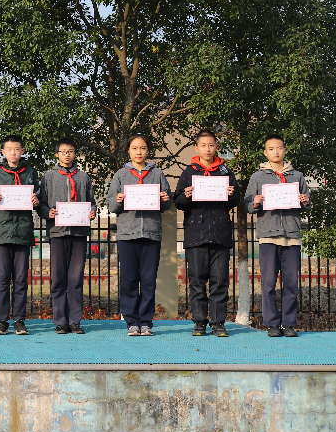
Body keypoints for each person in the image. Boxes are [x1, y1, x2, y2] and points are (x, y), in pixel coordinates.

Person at [174, 129, 240, 337]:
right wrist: (185, 196)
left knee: (220, 280)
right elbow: (178, 202)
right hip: (196, 234)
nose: (207, 149)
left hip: (220, 233)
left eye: (211, 145)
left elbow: (236, 200)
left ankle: (218, 322)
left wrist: (232, 194)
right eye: (203, 145)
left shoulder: (225, 172)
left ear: (217, 147)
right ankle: (199, 322)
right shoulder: (189, 172)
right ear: (196, 148)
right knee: (197, 280)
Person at [244, 134, 311, 337]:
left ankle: (289, 323)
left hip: (291, 235)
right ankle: (272, 323)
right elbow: (247, 205)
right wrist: (254, 203)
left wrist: (305, 201)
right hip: (268, 235)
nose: (276, 152)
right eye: (271, 149)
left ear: (284, 149)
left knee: (291, 282)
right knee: (269, 282)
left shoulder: (297, 176)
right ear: (265, 152)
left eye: (279, 148)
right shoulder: (257, 177)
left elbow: (308, 204)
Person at [106, 133, 171, 336]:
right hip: (127, 234)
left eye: (142, 148)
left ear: (148, 150)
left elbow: (167, 203)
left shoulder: (157, 173)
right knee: (129, 279)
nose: (139, 152)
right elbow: (110, 205)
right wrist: (118, 199)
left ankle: (146, 322)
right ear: (128, 151)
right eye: (134, 148)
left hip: (151, 233)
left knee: (149, 279)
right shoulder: (120, 175)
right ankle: (131, 321)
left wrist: (164, 198)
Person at [0, 135, 40, 335]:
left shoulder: (30, 172)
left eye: (17, 149)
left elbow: (39, 196)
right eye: (9, 149)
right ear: (3, 152)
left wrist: (35, 199)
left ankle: (20, 320)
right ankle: (1, 320)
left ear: (23, 151)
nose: (13, 153)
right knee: (3, 278)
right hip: (2, 233)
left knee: (22, 279)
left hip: (23, 232)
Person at [38, 138, 97, 334]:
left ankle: (75, 321)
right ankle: (60, 321)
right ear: (57, 154)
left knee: (76, 278)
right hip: (58, 232)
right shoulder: (49, 177)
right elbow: (41, 204)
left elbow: (92, 202)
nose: (67, 155)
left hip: (79, 232)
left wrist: (92, 212)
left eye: (71, 151)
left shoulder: (83, 177)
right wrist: (48, 213)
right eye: (63, 152)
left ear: (75, 154)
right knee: (58, 277)